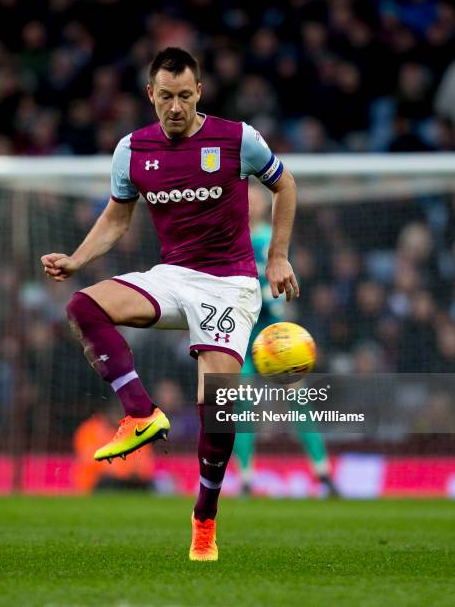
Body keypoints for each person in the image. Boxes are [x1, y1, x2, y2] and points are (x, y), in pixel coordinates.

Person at [41, 47, 299, 561]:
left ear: (199, 92)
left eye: (184, 96)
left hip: (230, 286)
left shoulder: (237, 138)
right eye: (165, 97)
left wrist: (278, 258)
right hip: (174, 275)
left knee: (217, 408)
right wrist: (77, 258)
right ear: (150, 95)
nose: (175, 107)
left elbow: (285, 184)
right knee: (83, 307)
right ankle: (140, 413)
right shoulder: (131, 151)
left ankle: (204, 519)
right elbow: (117, 219)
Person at [233, 184, 338, 497]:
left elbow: (288, 285)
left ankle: (323, 473)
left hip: (274, 334)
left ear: (266, 205)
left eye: (255, 199)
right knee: (239, 403)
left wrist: (276, 300)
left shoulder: (272, 239)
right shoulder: (229, 238)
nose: (249, 204)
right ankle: (246, 478)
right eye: (245, 198)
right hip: (240, 333)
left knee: (299, 398)